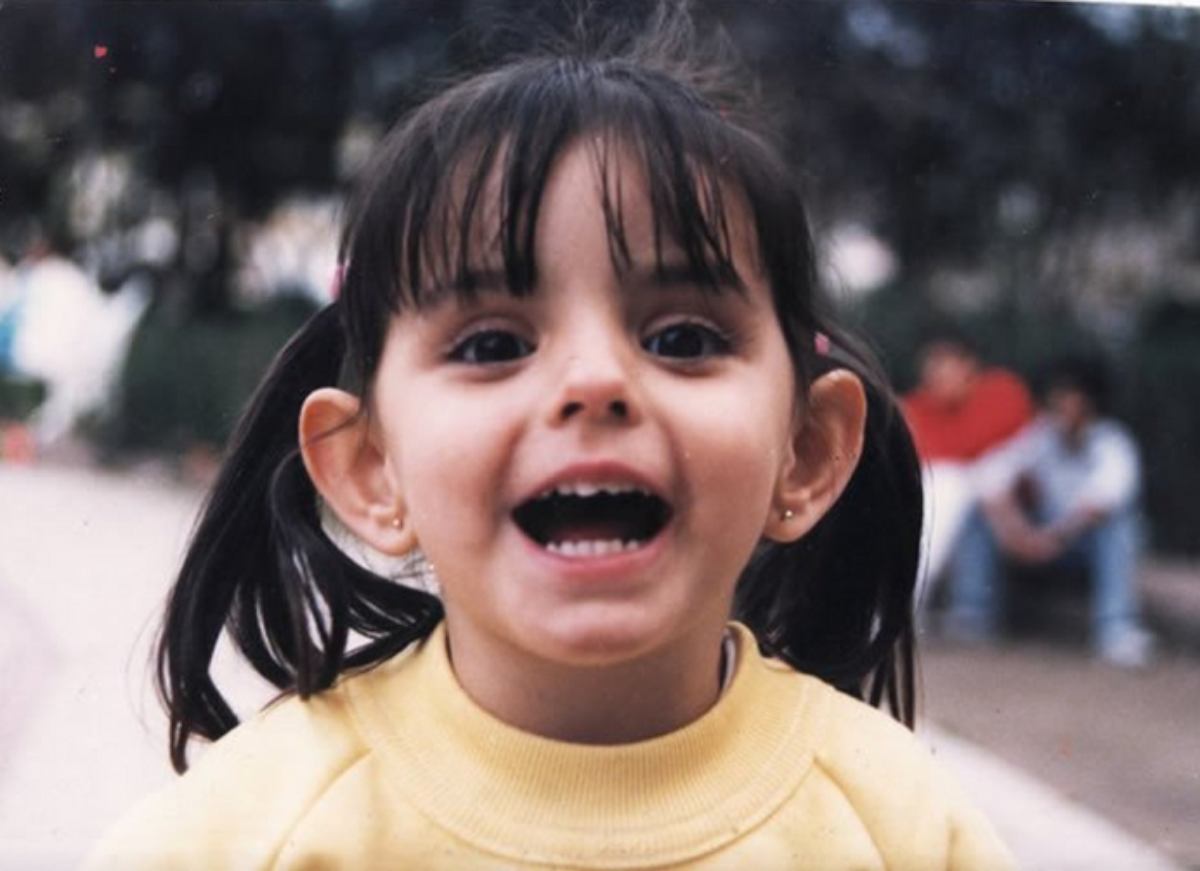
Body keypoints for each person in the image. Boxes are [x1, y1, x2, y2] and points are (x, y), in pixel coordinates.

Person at [89, 9, 1012, 869]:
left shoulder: (904, 829)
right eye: (493, 344)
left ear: (806, 453)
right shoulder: (244, 833)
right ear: (372, 468)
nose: (595, 381)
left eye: (682, 339)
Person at [943, 355, 1153, 667]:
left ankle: (1116, 631)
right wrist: (1018, 532)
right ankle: (973, 615)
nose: (1060, 404)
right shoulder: (1041, 436)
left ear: (1090, 401)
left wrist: (1050, 539)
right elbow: (988, 478)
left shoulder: (1113, 443)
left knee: (1119, 529)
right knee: (978, 513)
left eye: (1069, 395)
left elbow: (1100, 505)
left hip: (1081, 546)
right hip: (1037, 541)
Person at [901, 329, 1035, 610]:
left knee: (953, 481)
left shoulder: (1002, 389)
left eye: (942, 368)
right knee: (940, 485)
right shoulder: (920, 404)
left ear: (968, 366)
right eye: (930, 370)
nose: (933, 378)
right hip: (965, 494)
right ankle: (902, 599)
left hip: (1020, 498)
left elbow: (973, 449)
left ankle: (905, 601)